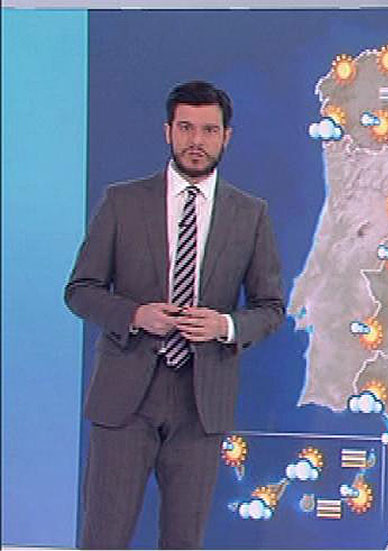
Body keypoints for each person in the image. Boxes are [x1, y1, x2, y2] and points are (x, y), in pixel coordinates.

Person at [65, 80, 284, 549]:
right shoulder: (123, 203)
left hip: (200, 404)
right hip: (126, 399)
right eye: (186, 128)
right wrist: (135, 314)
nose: (196, 141)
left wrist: (225, 325)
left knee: (184, 541)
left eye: (209, 130)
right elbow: (80, 291)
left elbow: (270, 308)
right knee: (104, 537)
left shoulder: (250, 215)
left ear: (227, 137)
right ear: (168, 131)